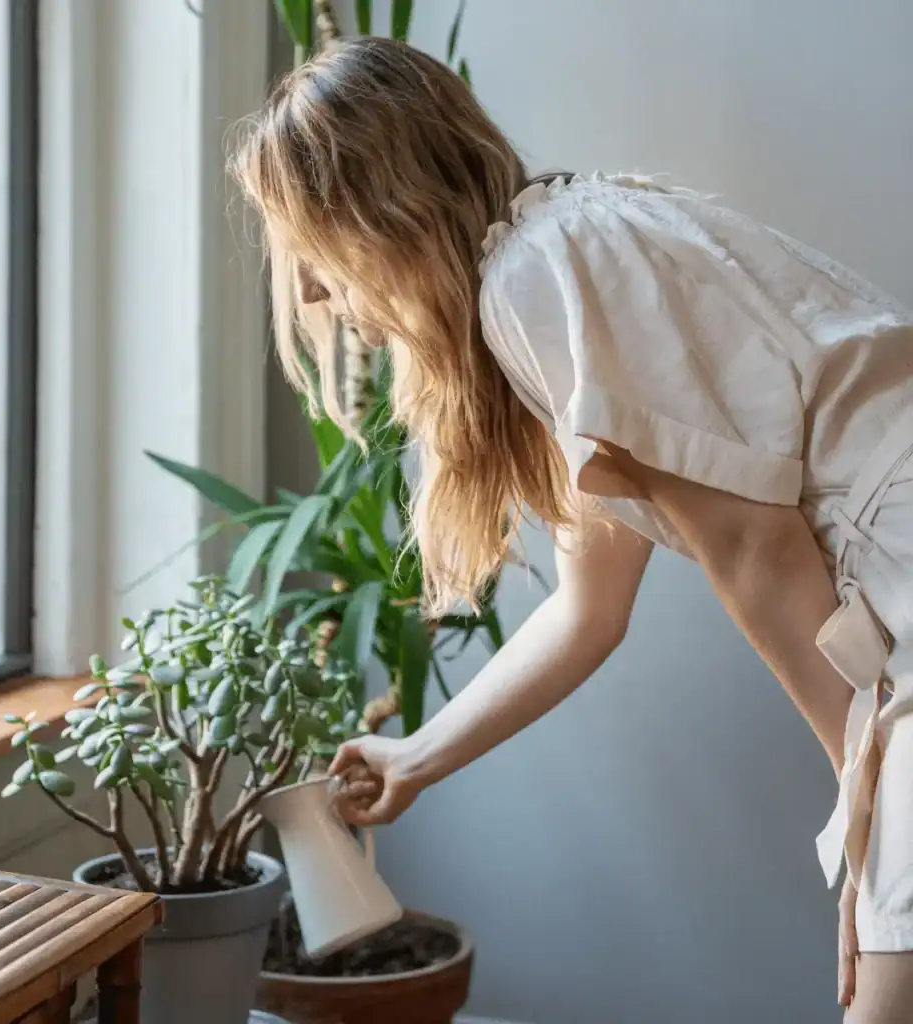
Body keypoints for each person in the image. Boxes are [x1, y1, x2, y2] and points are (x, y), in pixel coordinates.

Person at [234, 35, 913, 1021]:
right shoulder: (560, 258)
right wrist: (413, 755)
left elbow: (754, 549)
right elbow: (588, 612)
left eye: (313, 244)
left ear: (388, 211)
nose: (303, 290)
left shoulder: (538, 274)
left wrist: (859, 822)